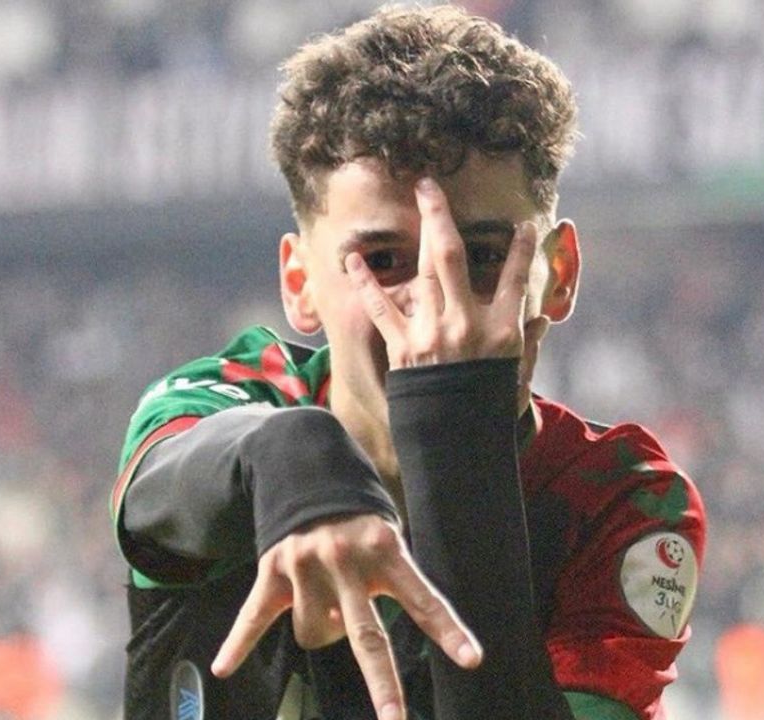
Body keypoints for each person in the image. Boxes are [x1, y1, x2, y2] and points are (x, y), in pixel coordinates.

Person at [111, 5, 706, 719]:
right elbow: (159, 497)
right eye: (384, 259)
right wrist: (302, 471)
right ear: (300, 283)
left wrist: (451, 431)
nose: (435, 305)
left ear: (560, 273)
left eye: (481, 255)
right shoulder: (230, 401)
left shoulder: (617, 498)